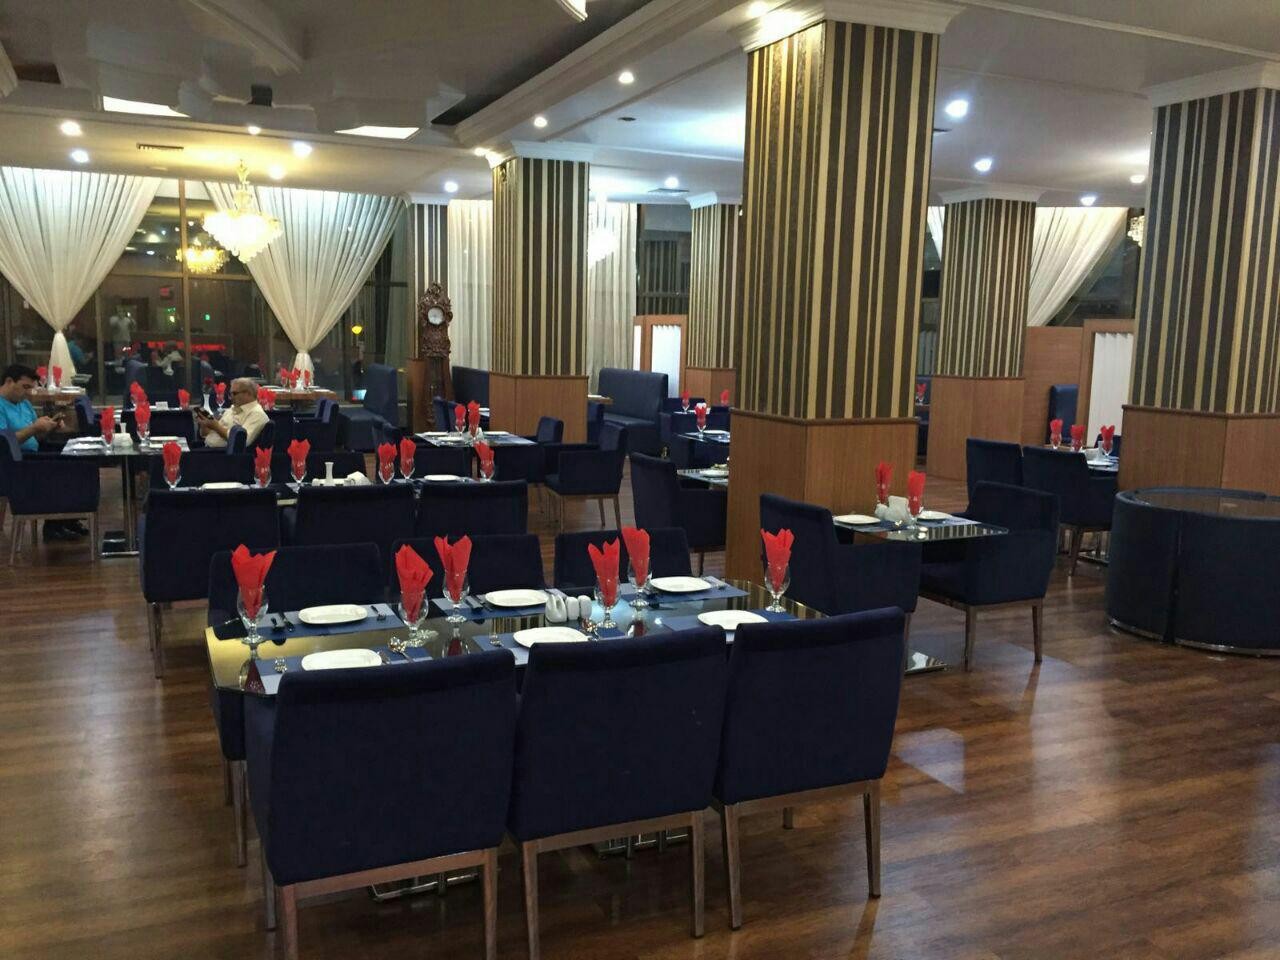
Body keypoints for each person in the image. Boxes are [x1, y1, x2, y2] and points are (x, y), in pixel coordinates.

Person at [0, 364, 84, 541]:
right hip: (15, 463)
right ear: (8, 381)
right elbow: (4, 443)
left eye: (30, 388)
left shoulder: (24, 404)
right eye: (25, 387)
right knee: (60, 471)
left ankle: (68, 518)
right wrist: (34, 428)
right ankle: (54, 525)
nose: (28, 393)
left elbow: (36, 438)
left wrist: (49, 427)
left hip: (34, 455)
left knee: (77, 461)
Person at [198, 377, 267, 448]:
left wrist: (216, 426)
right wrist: (205, 425)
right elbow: (208, 434)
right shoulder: (232, 409)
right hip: (207, 447)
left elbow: (242, 441)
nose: (231, 397)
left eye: (234, 393)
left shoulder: (257, 413)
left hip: (224, 453)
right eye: (230, 394)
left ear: (248, 394)